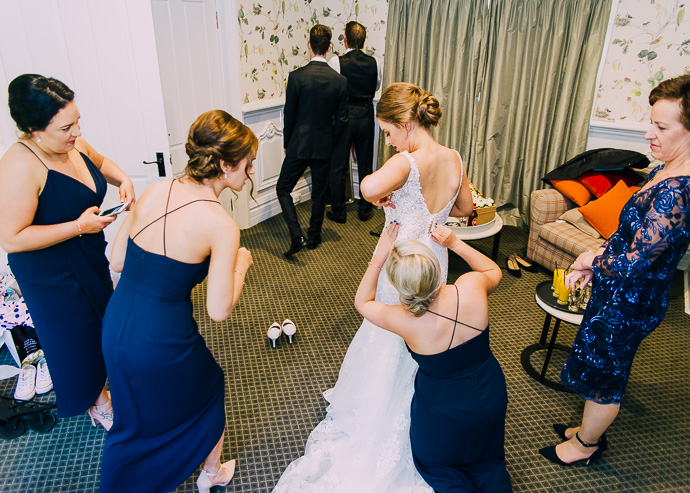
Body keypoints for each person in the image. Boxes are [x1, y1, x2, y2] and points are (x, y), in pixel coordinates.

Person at [273, 83, 474, 491]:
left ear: (406, 123)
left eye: (387, 131)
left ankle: (380, 409)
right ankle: (417, 404)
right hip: (435, 257)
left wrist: (388, 192)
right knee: (424, 331)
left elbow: (366, 188)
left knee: (388, 330)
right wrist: (425, 205)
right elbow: (465, 209)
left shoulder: (407, 162)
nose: (387, 139)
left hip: (400, 260)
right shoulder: (453, 157)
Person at [99, 110, 256, 492]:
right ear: (223, 164)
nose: (251, 171)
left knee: (133, 417)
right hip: (160, 338)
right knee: (208, 389)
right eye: (247, 164)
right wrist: (241, 264)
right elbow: (218, 311)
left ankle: (209, 471)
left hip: (116, 324)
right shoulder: (221, 224)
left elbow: (116, 260)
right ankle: (207, 473)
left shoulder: (155, 189)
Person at [539, 73, 690, 466]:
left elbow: (637, 263)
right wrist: (598, 261)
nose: (648, 134)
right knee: (597, 363)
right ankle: (586, 430)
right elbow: (631, 238)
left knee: (606, 377)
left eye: (660, 126)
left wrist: (592, 260)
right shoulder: (664, 170)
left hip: (631, 300)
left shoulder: (678, 192)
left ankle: (585, 447)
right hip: (617, 290)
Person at [0, 74, 135, 428]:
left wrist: (124, 181)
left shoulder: (71, 143)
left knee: (103, 327)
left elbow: (101, 162)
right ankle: (98, 403)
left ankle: (107, 387)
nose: (76, 133)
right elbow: (11, 237)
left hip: (87, 253)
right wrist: (78, 226)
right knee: (74, 341)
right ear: (34, 129)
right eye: (66, 127)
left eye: (78, 122)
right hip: (50, 272)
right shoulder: (18, 166)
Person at [355, 223, 510, 492]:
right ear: (435, 268)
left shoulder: (404, 320)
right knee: (487, 462)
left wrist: (379, 256)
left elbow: (362, 302)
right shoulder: (470, 287)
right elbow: (492, 270)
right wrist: (454, 243)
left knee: (440, 467)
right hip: (490, 394)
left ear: (401, 286)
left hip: (443, 409)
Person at [277, 24, 348, 257]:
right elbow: (342, 120)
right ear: (329, 47)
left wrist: (287, 142)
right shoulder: (340, 81)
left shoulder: (296, 77)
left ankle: (296, 234)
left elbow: (290, 115)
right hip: (324, 146)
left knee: (282, 188)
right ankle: (314, 236)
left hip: (298, 143)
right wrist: (330, 140)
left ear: (309, 45)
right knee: (319, 193)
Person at [327, 20, 381, 223]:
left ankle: (339, 212)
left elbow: (333, 89)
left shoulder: (336, 62)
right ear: (364, 41)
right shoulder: (375, 62)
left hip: (344, 116)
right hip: (366, 116)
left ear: (345, 39)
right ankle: (365, 209)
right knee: (366, 163)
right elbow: (375, 86)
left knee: (338, 165)